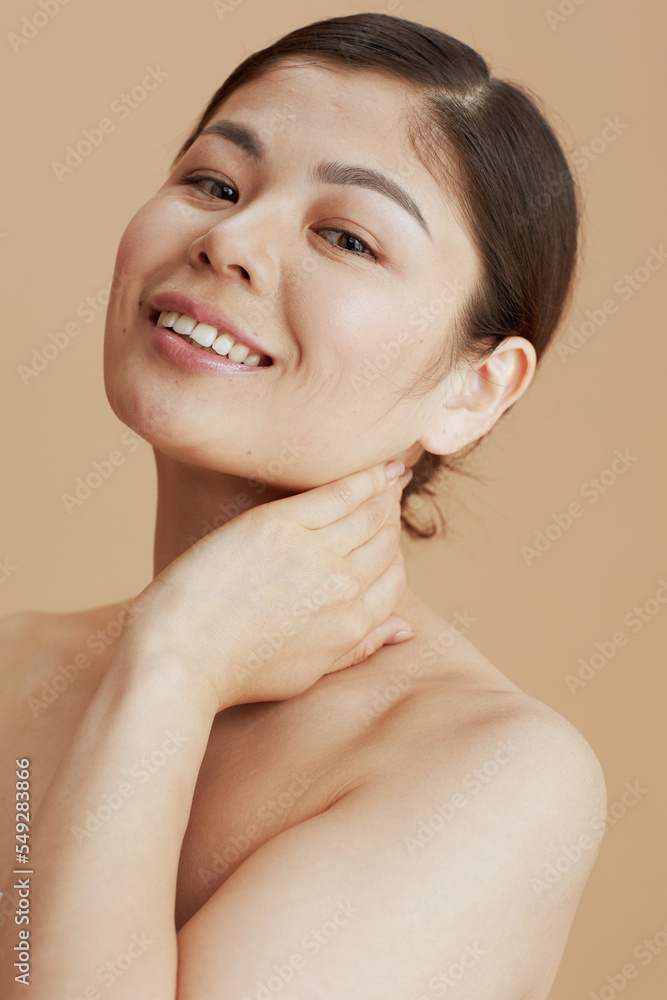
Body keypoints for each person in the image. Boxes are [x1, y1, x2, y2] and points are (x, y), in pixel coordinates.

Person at [0, 12, 607, 999]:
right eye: (212, 182)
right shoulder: (13, 663)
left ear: (477, 388)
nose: (229, 238)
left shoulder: (498, 776)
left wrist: (172, 662)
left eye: (346, 236)